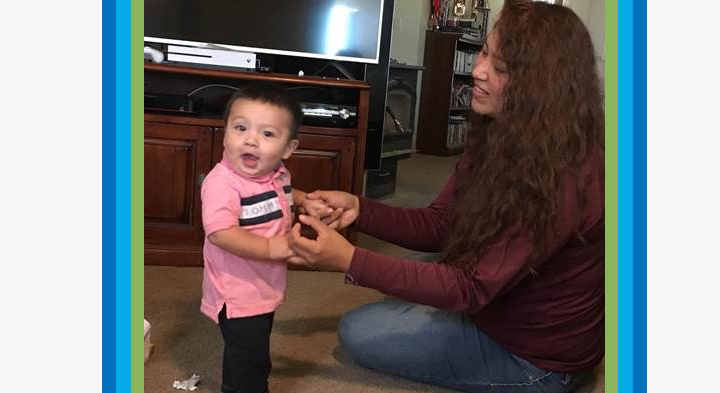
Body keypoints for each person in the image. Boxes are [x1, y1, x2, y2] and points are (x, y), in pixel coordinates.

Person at [287, 1, 604, 392]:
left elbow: (469, 287)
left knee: (358, 330)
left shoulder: (563, 175)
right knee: (423, 264)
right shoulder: (500, 129)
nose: (478, 70)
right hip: (495, 298)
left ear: (542, 88)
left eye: (500, 68)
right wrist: (359, 208)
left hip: (536, 359)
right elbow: (442, 223)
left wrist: (348, 258)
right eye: (485, 52)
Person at [199, 82, 331, 393]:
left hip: (264, 284)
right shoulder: (223, 184)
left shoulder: (277, 173)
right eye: (241, 127)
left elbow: (280, 193)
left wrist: (301, 199)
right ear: (225, 131)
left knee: (250, 349)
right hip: (237, 290)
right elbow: (219, 233)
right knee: (251, 358)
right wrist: (273, 247)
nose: (251, 140)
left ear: (288, 149)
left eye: (267, 134)